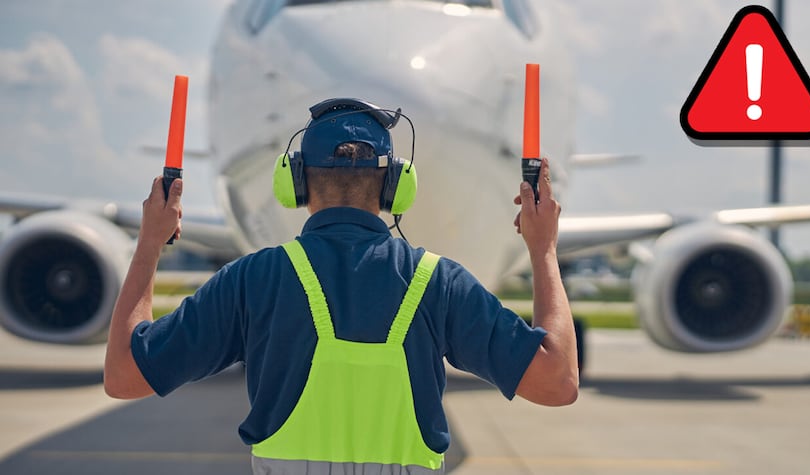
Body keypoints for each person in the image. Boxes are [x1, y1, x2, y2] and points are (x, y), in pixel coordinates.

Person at [104, 98, 579, 474]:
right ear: (397, 185)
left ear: (295, 183)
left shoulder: (253, 280)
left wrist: (149, 242)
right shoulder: (438, 284)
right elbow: (557, 383)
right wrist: (543, 249)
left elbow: (125, 376)